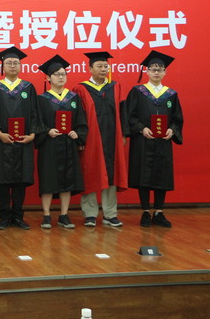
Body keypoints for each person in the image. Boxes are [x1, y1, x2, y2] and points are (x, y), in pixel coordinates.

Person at [0, 46, 41, 230]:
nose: (12, 66)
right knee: (2, 180)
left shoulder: (28, 87)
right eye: (8, 63)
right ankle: (4, 217)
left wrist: (32, 134)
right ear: (2, 66)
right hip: (1, 141)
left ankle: (18, 216)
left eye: (15, 63)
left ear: (20, 66)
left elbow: (35, 113)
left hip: (23, 141)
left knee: (20, 181)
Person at [125, 51, 183, 228]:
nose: (156, 72)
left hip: (163, 141)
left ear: (165, 72)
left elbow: (177, 118)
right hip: (143, 140)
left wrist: (172, 130)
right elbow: (130, 115)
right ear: (147, 71)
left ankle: (159, 212)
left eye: (160, 69)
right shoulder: (138, 92)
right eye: (153, 69)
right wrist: (141, 128)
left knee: (161, 175)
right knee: (143, 175)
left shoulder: (171, 94)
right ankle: (145, 211)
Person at [73, 52, 128, 228]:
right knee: (90, 172)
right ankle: (90, 213)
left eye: (105, 66)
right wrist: (80, 138)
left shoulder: (115, 87)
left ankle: (110, 214)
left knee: (112, 173)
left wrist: (124, 134)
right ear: (90, 69)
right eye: (99, 66)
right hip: (91, 138)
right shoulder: (81, 89)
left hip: (112, 137)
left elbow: (123, 112)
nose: (103, 69)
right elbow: (78, 115)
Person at [35, 55, 87, 229]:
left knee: (68, 179)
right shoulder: (41, 99)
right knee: (48, 180)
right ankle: (46, 215)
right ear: (48, 78)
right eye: (56, 74)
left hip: (68, 144)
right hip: (49, 144)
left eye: (63, 74)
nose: (61, 77)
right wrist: (47, 131)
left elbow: (81, 120)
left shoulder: (73, 98)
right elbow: (36, 121)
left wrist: (77, 133)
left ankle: (64, 215)